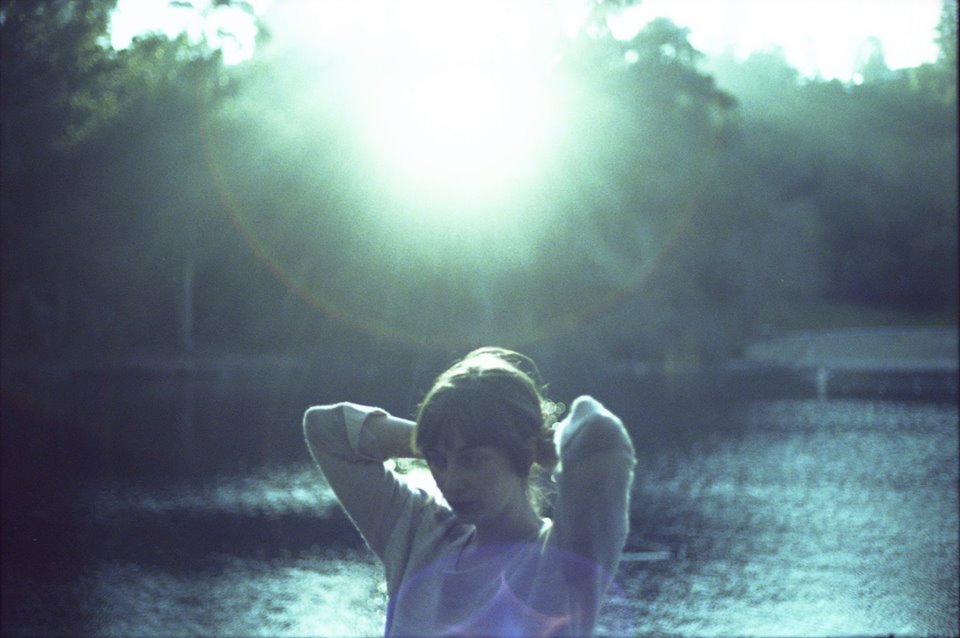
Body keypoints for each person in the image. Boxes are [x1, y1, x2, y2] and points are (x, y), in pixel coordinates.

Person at [303, 347, 635, 637]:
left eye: (472, 460)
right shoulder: (420, 534)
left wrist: (542, 444)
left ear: (523, 452)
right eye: (439, 462)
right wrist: (435, 438)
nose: (451, 481)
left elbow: (599, 432)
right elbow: (324, 428)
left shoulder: (564, 558)